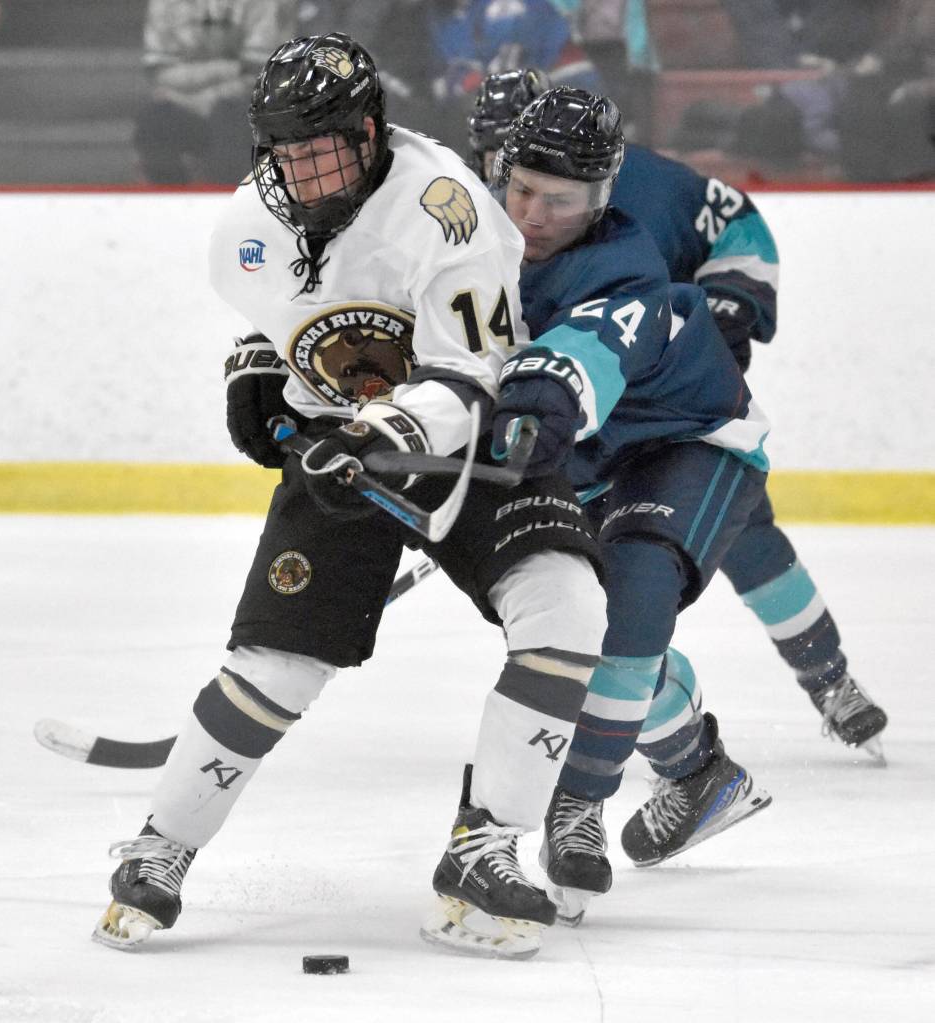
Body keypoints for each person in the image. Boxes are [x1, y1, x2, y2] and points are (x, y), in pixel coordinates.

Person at [93, 33, 608, 962]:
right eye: (280, 151)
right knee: (278, 664)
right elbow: (284, 316)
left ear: (369, 131)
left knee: (566, 602)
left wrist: (383, 437)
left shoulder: (449, 213)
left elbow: (471, 371)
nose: (297, 169)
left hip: (464, 442)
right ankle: (160, 846)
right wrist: (256, 361)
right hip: (338, 443)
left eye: (316, 147)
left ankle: (485, 845)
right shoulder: (250, 221)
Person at [467, 69, 888, 766]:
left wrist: (728, 305)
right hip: (589, 434)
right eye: (495, 161)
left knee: (749, 540)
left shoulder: (649, 187)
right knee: (608, 587)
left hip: (671, 411)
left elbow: (738, 225)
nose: (517, 193)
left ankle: (830, 679)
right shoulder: (481, 220)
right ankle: (667, 735)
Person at [486, 86, 774, 924]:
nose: (535, 214)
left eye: (561, 200)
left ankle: (577, 805)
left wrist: (537, 405)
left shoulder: (623, 266)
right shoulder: (476, 249)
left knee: (637, 592)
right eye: (523, 189)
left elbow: (584, 356)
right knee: (587, 627)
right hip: (590, 458)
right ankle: (695, 771)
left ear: (601, 198)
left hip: (692, 440)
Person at [134, 0, 298, 185]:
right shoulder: (164, 4)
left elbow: (261, 72)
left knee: (234, 118)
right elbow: (161, 71)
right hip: (182, 101)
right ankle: (168, 202)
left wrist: (204, 95)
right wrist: (231, 69)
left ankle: (229, 199)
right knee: (156, 122)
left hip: (241, 102)